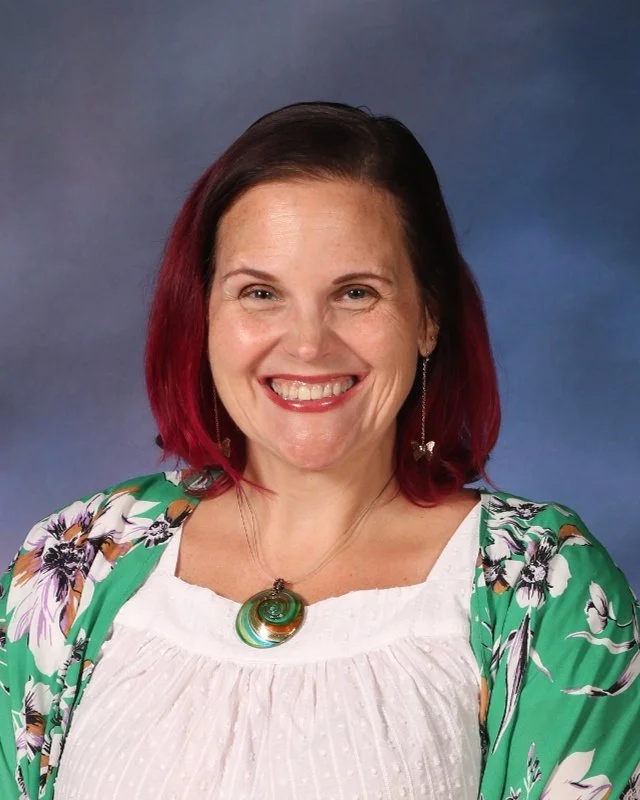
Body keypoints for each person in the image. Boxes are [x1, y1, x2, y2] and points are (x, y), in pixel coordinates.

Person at [0, 102, 638, 800]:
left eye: (356, 292)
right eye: (261, 292)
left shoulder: (542, 588)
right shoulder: (75, 559)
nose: (307, 344)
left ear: (429, 317)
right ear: (204, 312)